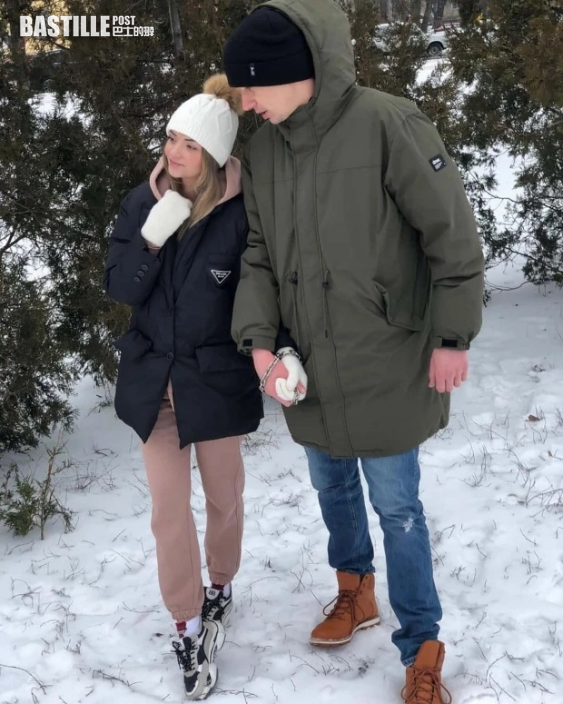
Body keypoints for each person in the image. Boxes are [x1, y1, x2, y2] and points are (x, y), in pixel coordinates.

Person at [223, 2, 485, 702]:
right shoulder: (266, 151)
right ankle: (355, 590)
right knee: (330, 487)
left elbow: (450, 235)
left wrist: (452, 335)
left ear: (294, 72)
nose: (245, 103)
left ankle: (421, 644)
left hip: (386, 357)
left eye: (251, 86)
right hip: (307, 364)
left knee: (397, 507)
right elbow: (259, 255)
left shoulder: (388, 123)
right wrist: (258, 343)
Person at [104, 74, 264, 700]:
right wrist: (151, 237)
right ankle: (187, 622)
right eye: (171, 137)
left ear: (214, 155)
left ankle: (220, 583)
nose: (173, 152)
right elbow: (120, 287)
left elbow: (262, 292)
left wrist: (273, 351)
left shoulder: (242, 213)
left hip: (216, 382)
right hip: (155, 385)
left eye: (190, 144)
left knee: (224, 497)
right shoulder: (140, 203)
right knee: (168, 512)